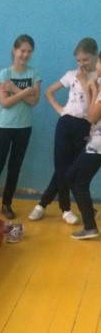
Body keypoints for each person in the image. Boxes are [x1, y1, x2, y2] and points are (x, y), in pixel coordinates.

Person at [29, 37, 99, 223]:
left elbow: (93, 106)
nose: (82, 64)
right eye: (78, 60)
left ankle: (42, 204)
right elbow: (49, 91)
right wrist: (61, 110)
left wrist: (84, 81)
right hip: (65, 123)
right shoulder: (71, 74)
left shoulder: (97, 77)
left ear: (95, 56)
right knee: (61, 167)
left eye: (86, 59)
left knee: (69, 170)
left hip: (84, 126)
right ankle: (65, 209)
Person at [0, 35, 41, 219]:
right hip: (4, 126)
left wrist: (14, 90)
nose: (25, 54)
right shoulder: (4, 74)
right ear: (14, 50)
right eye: (22, 50)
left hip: (24, 127)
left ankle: (7, 204)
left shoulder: (34, 74)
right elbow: (5, 102)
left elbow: (34, 101)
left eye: (29, 51)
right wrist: (24, 92)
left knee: (15, 167)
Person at [67, 52, 101, 239]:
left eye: (99, 62)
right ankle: (90, 219)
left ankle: (90, 227)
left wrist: (94, 91)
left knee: (76, 179)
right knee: (74, 176)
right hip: (95, 142)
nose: (97, 66)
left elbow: (92, 116)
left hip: (98, 143)